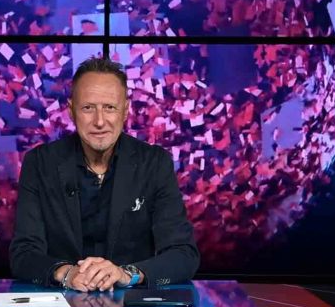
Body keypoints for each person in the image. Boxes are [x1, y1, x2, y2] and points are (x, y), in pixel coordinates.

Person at [10, 55, 199, 291]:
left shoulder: (154, 163)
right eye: (88, 108)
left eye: (109, 108)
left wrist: (126, 274)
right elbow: (23, 254)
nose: (99, 121)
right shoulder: (40, 164)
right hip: (61, 304)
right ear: (71, 110)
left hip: (131, 306)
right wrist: (67, 273)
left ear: (125, 111)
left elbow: (183, 254)